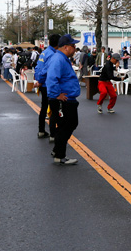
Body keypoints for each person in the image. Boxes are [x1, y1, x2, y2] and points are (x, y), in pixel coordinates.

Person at [47, 34, 81, 165]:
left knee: (65, 126)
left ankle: (58, 152)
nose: (75, 48)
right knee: (67, 125)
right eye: (73, 46)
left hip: (67, 99)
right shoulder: (58, 59)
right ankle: (59, 154)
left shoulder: (61, 58)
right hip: (63, 100)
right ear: (66, 47)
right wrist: (57, 95)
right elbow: (51, 78)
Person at [34, 34, 61, 141]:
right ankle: (53, 135)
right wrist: (40, 81)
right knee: (54, 109)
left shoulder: (44, 52)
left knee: (44, 108)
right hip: (48, 84)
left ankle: (41, 130)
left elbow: (38, 67)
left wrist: (38, 79)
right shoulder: (53, 54)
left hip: (43, 84)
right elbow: (46, 70)